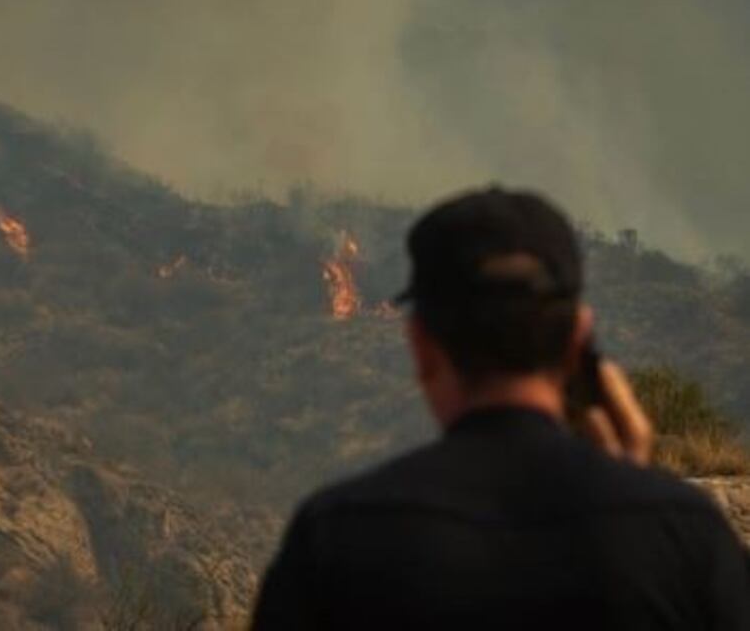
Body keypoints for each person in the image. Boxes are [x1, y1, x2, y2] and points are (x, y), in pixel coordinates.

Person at [251, 188, 750, 630]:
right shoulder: (686, 538)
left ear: (422, 347)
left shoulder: (338, 540)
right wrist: (632, 516)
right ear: (578, 343)